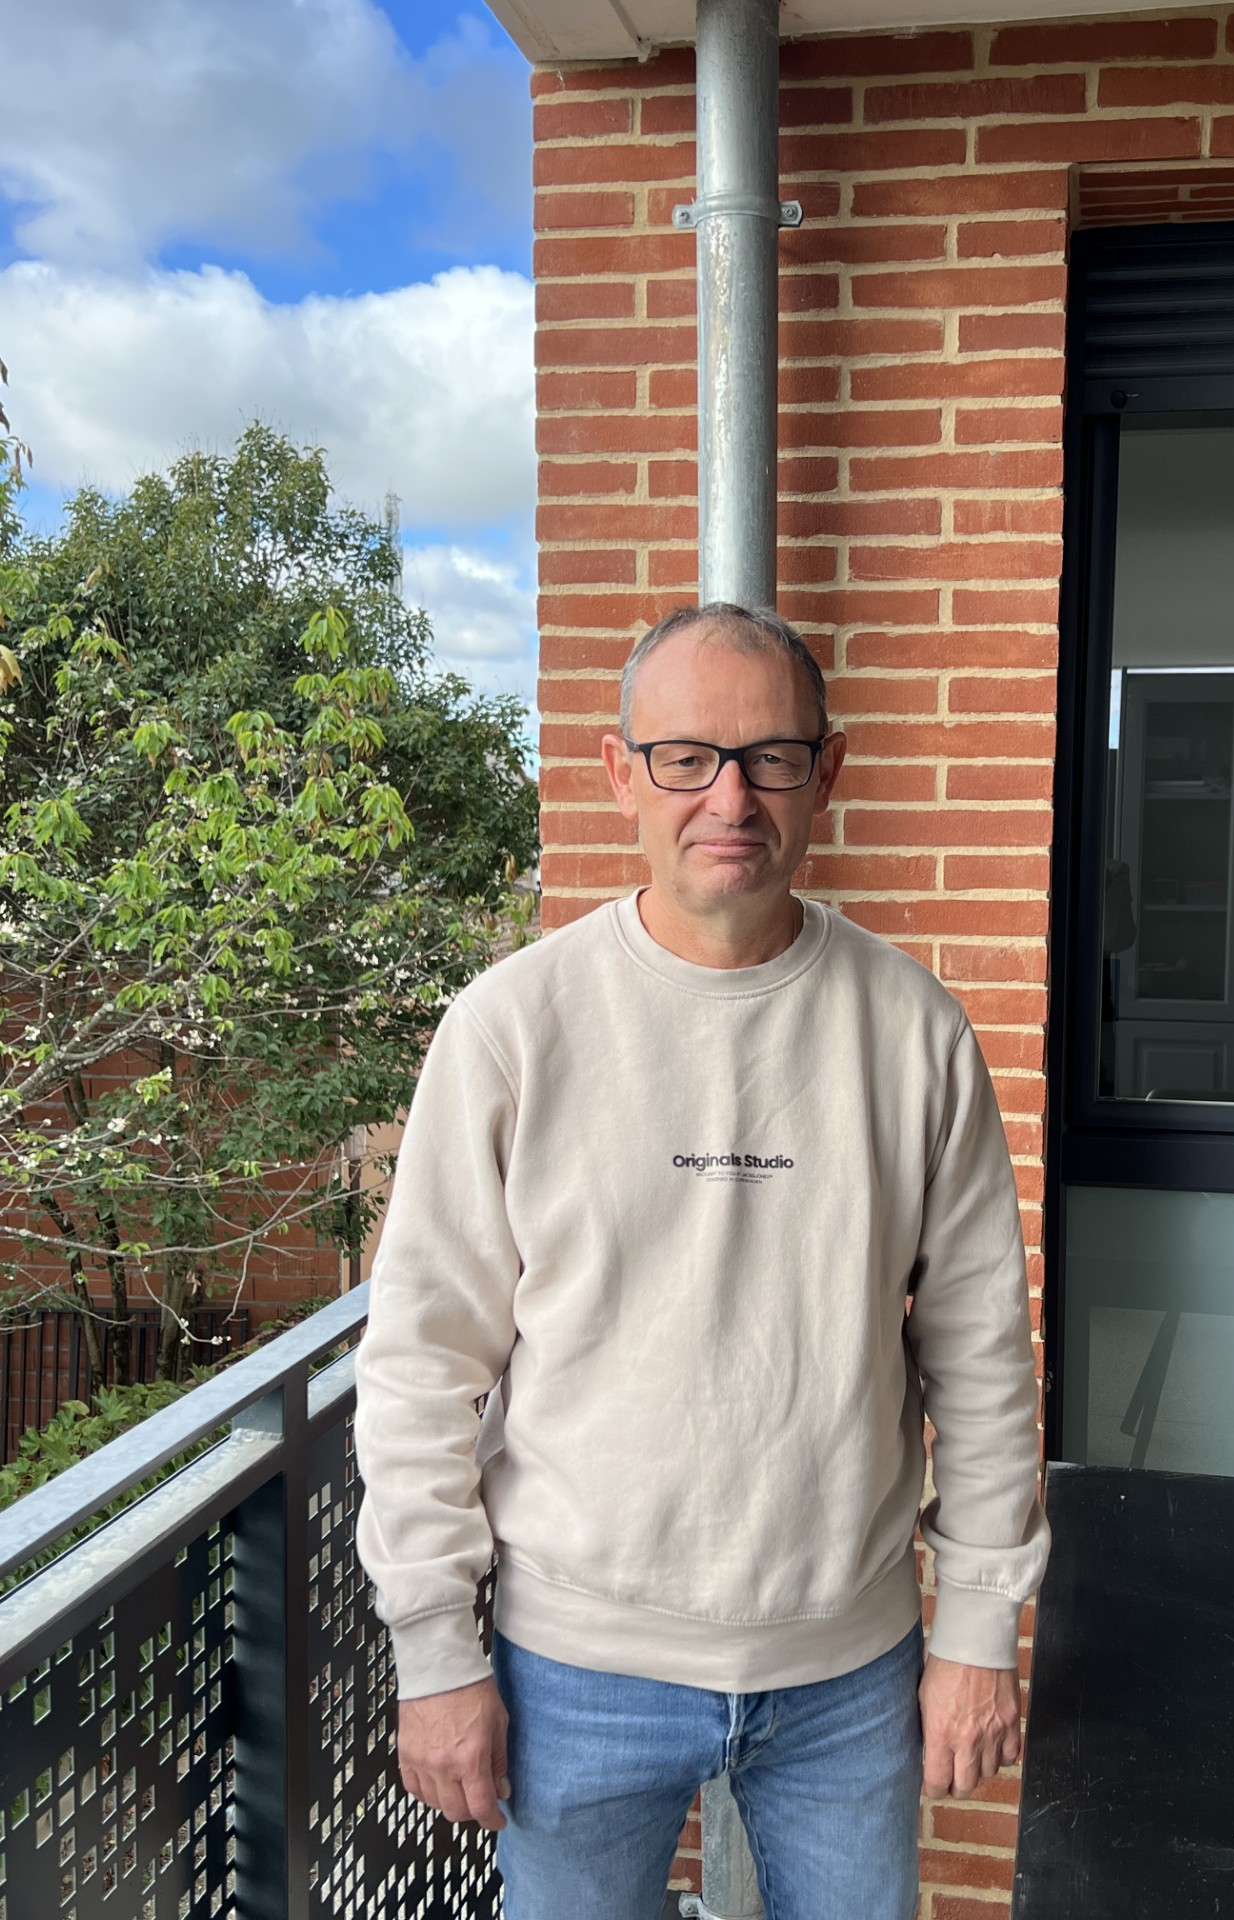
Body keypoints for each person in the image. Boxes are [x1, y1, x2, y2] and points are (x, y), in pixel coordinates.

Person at [353, 602, 1050, 1920]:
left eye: (771, 756)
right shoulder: (512, 1030)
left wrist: (976, 1625)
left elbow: (983, 1361)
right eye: (685, 756)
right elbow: (421, 1365)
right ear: (620, 773)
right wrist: (436, 1649)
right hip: (573, 1667)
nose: (729, 794)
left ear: (824, 776)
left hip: (849, 1668)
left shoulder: (913, 1032)